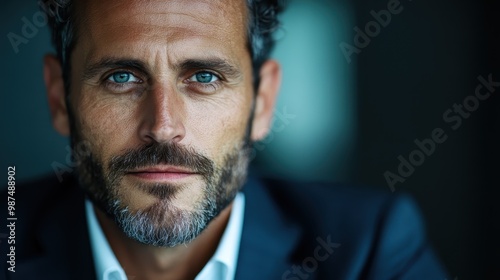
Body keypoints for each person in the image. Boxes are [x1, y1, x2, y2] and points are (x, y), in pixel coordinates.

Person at [0, 0, 448, 279]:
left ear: (264, 100)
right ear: (60, 97)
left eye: (205, 77)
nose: (163, 125)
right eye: (121, 77)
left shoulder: (371, 251)